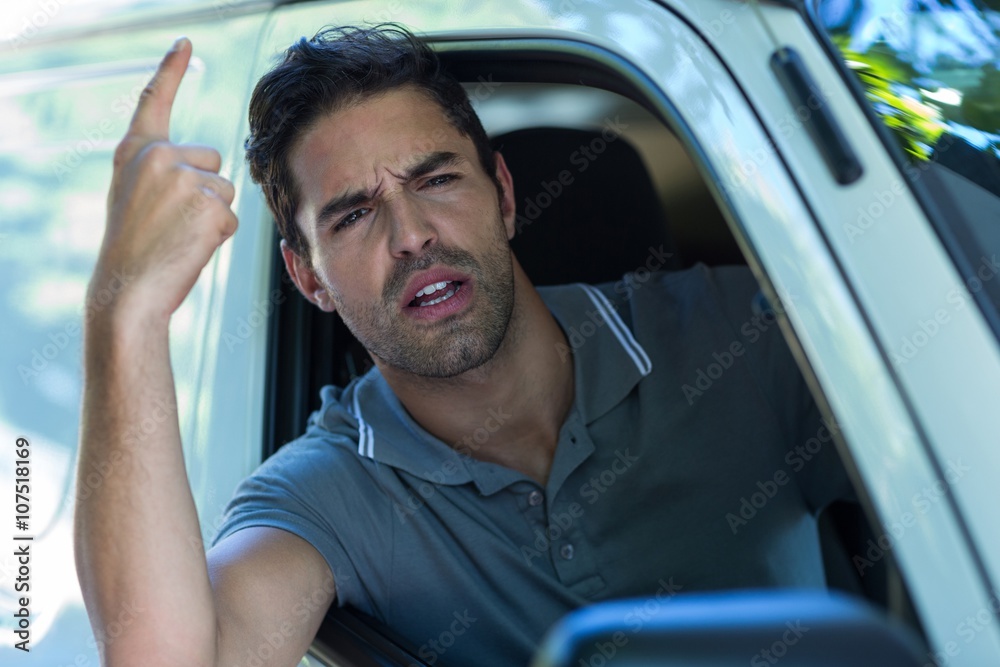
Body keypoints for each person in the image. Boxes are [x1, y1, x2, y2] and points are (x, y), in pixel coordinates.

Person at [74, 24, 853, 667]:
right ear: (309, 278)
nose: (412, 235)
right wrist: (124, 312)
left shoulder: (739, 335)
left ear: (504, 195)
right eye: (354, 214)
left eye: (437, 180)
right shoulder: (328, 494)